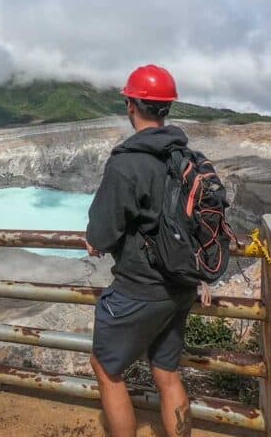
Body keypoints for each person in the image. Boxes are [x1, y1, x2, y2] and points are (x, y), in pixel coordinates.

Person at [86, 65, 198, 437]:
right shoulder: (185, 158)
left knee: (106, 368)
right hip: (181, 285)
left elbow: (101, 232)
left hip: (140, 287)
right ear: (168, 107)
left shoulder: (126, 163)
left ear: (130, 105)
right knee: (167, 372)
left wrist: (96, 240)